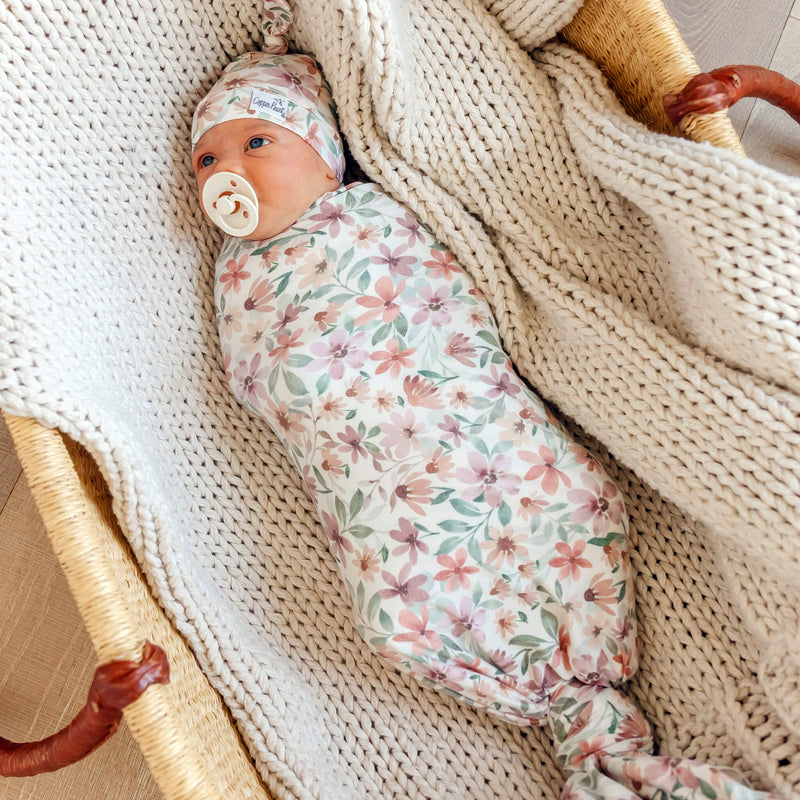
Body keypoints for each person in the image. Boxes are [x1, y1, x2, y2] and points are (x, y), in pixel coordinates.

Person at [190, 5, 780, 798]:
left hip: (462, 427)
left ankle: (588, 694)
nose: (229, 170)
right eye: (206, 160)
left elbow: (453, 298)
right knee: (402, 589)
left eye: (256, 143)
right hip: (372, 474)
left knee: (544, 500)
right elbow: (259, 380)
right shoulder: (236, 276)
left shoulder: (367, 214)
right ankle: (569, 721)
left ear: (326, 158)